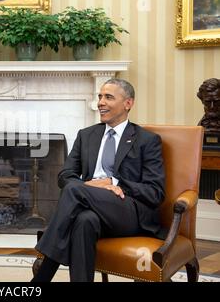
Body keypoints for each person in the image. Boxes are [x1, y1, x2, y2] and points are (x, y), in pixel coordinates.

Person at [32, 78, 165, 282]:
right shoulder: (87, 135)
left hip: (128, 212)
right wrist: (90, 187)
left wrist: (114, 183)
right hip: (88, 205)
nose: (101, 102)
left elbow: (155, 193)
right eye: (100, 96)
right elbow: (65, 175)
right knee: (84, 220)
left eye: (108, 97)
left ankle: (40, 278)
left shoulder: (147, 140)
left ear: (128, 103)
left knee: (74, 190)